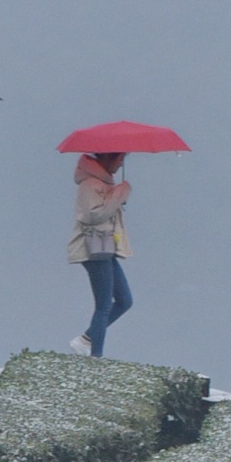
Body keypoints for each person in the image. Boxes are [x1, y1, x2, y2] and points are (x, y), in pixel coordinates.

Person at [67, 149, 132, 354]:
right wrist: (119, 195)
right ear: (107, 157)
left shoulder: (104, 184)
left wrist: (116, 194)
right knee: (103, 305)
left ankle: (87, 339)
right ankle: (95, 357)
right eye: (119, 158)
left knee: (124, 300)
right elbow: (93, 216)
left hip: (107, 247)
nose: (121, 164)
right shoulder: (89, 185)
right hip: (94, 249)